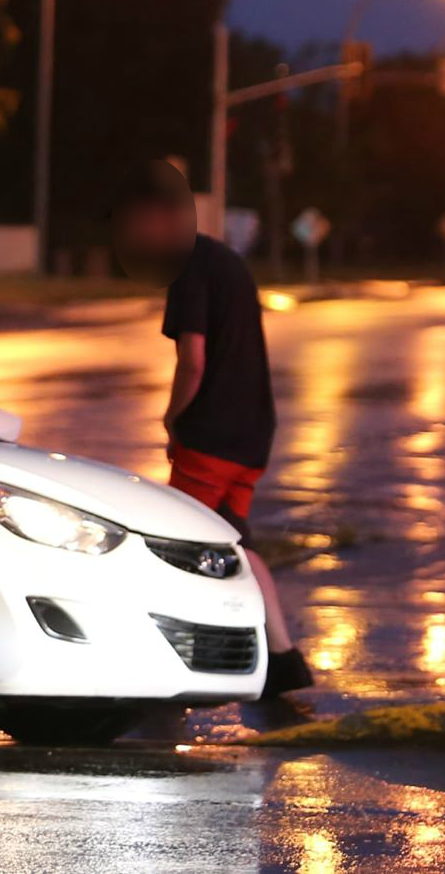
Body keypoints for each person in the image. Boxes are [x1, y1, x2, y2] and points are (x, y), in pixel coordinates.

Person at [107, 160, 312, 699]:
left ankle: (174, 656)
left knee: (175, 544)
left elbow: (193, 360)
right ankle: (285, 659)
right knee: (240, 546)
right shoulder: (226, 261)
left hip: (213, 434)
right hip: (252, 433)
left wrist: (173, 417)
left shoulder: (191, 270)